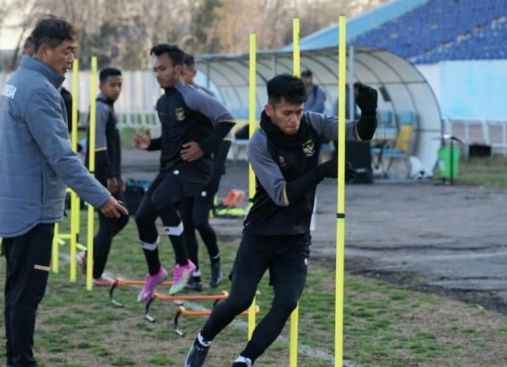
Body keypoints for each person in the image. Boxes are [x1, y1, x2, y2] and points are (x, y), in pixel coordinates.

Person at [184, 74, 377, 367]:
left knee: (287, 302)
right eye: (288, 113)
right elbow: (282, 195)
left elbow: (360, 134)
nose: (295, 119)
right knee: (239, 302)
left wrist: (369, 113)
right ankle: (202, 340)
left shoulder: (312, 121)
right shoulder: (259, 142)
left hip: (296, 237)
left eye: (298, 111)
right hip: (260, 234)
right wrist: (322, 172)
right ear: (270, 109)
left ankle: (244, 360)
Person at [0, 16, 127, 367]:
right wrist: (102, 198)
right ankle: (21, 361)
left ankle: (17, 359)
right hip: (30, 212)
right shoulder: (38, 90)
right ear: (44, 50)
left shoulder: (19, 81)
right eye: (67, 51)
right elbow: (62, 157)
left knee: (18, 292)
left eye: (74, 51)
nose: (71, 59)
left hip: (17, 206)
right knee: (26, 294)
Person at [132, 43, 235, 302]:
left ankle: (185, 264)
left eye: (163, 68)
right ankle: (155, 271)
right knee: (143, 216)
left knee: (162, 201)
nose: (158, 74)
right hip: (169, 167)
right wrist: (150, 145)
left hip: (194, 168)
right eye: (155, 69)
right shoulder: (162, 103)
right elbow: (171, 139)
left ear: (178, 69)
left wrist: (204, 147)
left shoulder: (191, 96)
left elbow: (227, 119)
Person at [179, 52, 227, 291]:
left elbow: (224, 131)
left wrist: (214, 169)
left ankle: (215, 260)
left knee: (199, 220)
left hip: (208, 171)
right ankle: (194, 275)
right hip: (186, 172)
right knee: (186, 222)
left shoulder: (205, 98)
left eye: (182, 72)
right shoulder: (174, 100)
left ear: (192, 73)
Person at [77, 67, 129, 286]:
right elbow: (98, 147)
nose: (117, 89)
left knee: (122, 217)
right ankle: (95, 273)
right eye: (112, 85)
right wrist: (108, 175)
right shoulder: (99, 108)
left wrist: (118, 174)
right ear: (101, 86)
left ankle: (88, 255)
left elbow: (113, 147)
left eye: (119, 85)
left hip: (110, 174)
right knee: (110, 222)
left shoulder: (108, 108)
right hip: (101, 175)